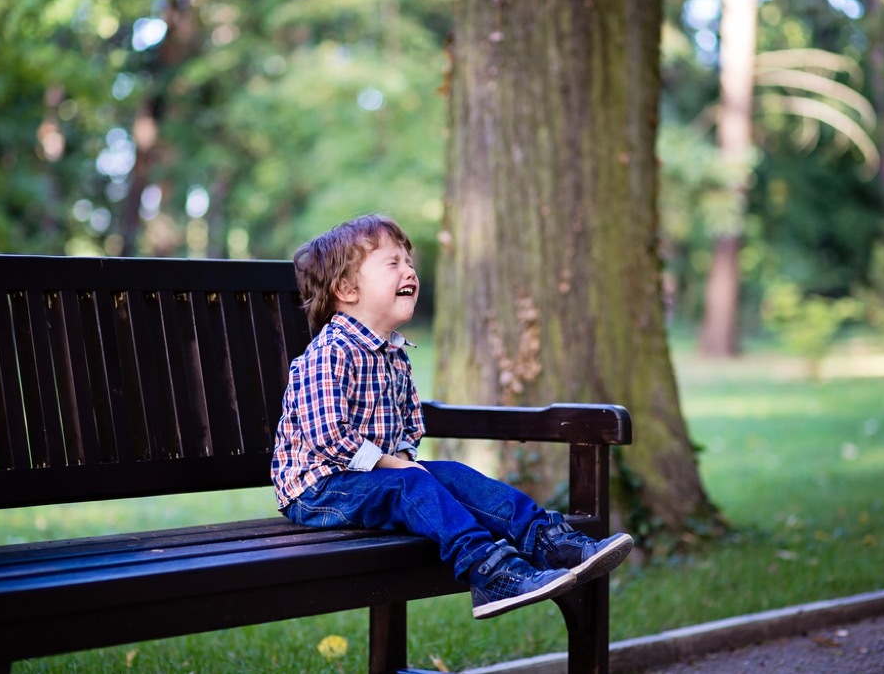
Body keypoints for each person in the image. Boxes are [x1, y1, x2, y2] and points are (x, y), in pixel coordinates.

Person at [271, 214, 633, 619]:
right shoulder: (330, 352)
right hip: (319, 488)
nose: (408, 270)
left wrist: (405, 458)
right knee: (411, 485)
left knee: (455, 475)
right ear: (346, 288)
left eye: (409, 262)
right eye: (392, 263)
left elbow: (410, 421)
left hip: (378, 478)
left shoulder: (394, 354)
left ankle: (549, 542)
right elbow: (328, 437)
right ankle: (492, 573)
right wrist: (399, 466)